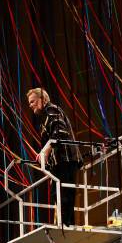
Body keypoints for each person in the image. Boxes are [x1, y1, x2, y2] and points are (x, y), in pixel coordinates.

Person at [27, 88, 81, 226]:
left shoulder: (51, 109)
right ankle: (66, 224)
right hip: (60, 162)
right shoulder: (46, 116)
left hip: (66, 159)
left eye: (33, 101)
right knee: (58, 195)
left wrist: (45, 151)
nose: (30, 105)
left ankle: (66, 225)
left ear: (43, 99)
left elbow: (60, 133)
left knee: (64, 196)